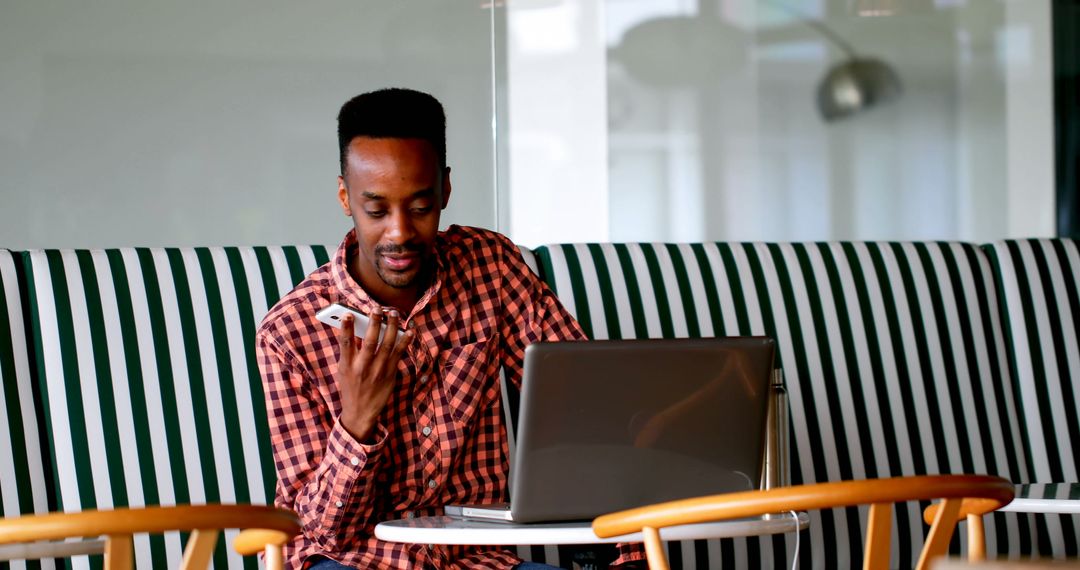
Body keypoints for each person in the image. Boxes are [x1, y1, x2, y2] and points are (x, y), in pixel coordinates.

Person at [256, 88, 644, 569]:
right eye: (376, 210)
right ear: (344, 197)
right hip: (353, 562)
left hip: (476, 561)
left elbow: (593, 404)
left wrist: (630, 552)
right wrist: (357, 421)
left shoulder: (490, 269)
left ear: (445, 190)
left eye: (419, 207)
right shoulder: (290, 331)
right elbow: (322, 533)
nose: (399, 232)